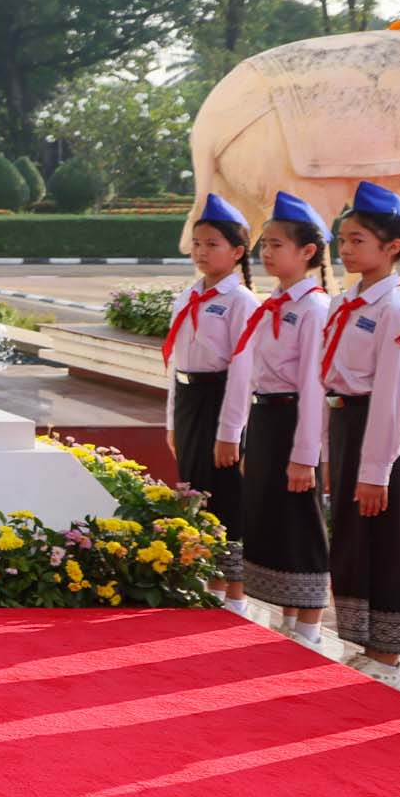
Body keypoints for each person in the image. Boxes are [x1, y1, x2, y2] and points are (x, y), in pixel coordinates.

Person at [320, 182, 400, 686]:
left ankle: (389, 655)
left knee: (386, 539)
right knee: (354, 538)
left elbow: (394, 396)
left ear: (393, 248)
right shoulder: (348, 302)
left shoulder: (398, 311)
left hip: (378, 431)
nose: (345, 249)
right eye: (342, 239)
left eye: (358, 240)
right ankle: (366, 643)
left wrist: (376, 469)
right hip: (346, 422)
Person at [217, 193, 336, 648]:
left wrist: (305, 455)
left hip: (294, 421)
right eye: (264, 244)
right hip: (266, 418)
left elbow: (312, 386)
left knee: (301, 520)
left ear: (307, 252)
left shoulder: (313, 309)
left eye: (277, 244)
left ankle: (309, 625)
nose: (266, 253)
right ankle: (288, 619)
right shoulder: (275, 304)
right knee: (273, 518)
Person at [165, 193, 254, 613]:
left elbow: (242, 371)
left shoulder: (241, 302)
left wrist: (230, 432)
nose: (202, 252)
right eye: (197, 243)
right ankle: (204, 579)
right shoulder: (188, 296)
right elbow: (174, 363)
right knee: (194, 489)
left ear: (237, 252)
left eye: (213, 244)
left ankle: (233, 591)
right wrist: (170, 421)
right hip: (188, 400)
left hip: (220, 399)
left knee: (225, 494)